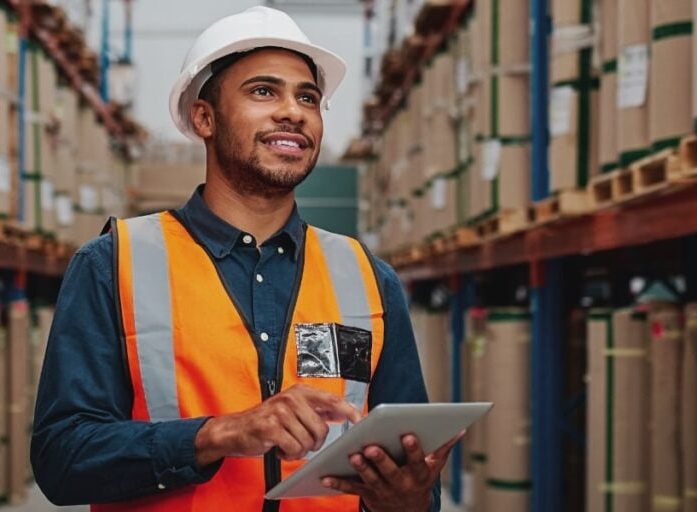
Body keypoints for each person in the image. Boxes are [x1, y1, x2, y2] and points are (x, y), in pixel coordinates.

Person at [31, 6, 460, 512]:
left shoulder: (368, 278)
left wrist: (409, 498)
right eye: (263, 91)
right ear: (204, 117)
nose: (293, 111)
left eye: (308, 97)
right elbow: (63, 459)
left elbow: (412, 479)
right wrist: (219, 434)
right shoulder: (115, 264)